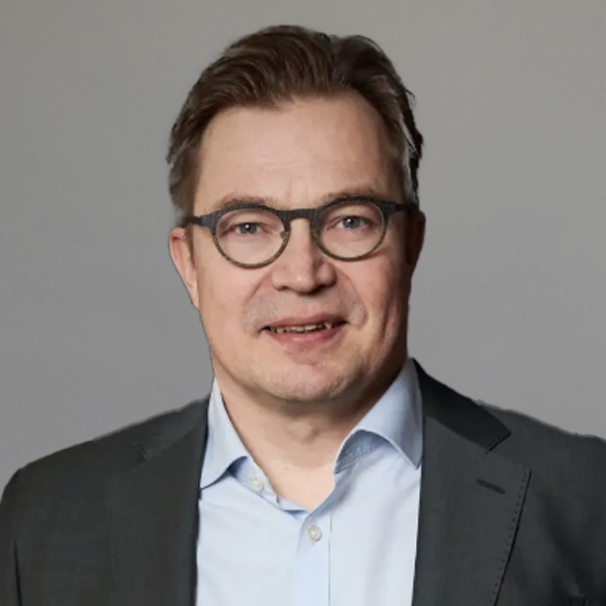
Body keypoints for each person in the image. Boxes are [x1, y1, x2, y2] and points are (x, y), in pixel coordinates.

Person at [1, 23, 605, 606]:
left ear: (410, 246)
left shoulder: (585, 501)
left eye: (349, 220)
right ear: (189, 265)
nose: (301, 273)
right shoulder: (48, 520)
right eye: (248, 227)